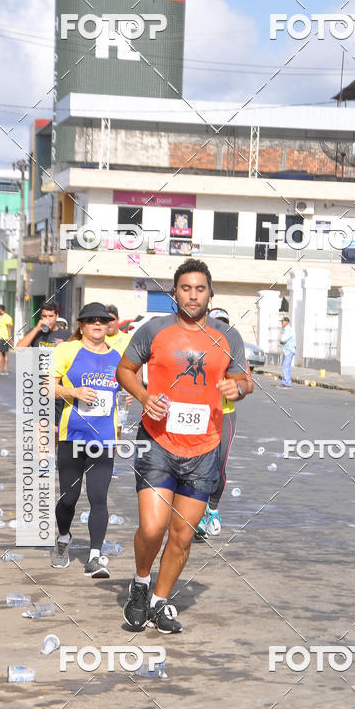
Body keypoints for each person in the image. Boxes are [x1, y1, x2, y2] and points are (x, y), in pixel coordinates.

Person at [117, 259, 249, 634]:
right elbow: (124, 370)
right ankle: (140, 583)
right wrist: (143, 396)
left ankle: (159, 601)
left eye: (200, 289)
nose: (193, 295)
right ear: (174, 292)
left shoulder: (228, 337)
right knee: (153, 527)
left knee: (182, 535)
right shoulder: (153, 330)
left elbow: (245, 381)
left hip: (205, 447)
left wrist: (235, 388)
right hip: (156, 441)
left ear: (211, 293)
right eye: (186, 288)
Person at [51, 302, 127, 578]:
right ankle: (62, 539)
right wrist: (74, 392)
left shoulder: (118, 356)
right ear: (81, 325)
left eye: (102, 320)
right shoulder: (66, 350)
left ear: (108, 325)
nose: (97, 324)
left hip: (104, 438)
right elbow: (47, 386)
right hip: (72, 436)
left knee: (99, 497)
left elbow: (128, 387)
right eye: (91, 320)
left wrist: (129, 395)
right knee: (69, 498)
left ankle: (95, 556)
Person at [196, 308, 254, 539]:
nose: (221, 328)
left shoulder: (234, 350)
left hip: (225, 413)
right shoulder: (197, 347)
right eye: (216, 323)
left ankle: (212, 510)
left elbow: (249, 384)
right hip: (199, 414)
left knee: (218, 466)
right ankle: (197, 514)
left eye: (225, 324)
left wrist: (237, 387)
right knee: (198, 466)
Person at [16, 300, 68, 435]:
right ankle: (43, 456)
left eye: (50, 316)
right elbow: (19, 348)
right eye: (44, 316)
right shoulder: (35, 333)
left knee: (55, 429)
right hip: (38, 386)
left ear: (57, 316)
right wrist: (36, 328)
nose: (47, 319)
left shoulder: (66, 336)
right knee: (40, 426)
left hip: (57, 386)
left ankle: (49, 454)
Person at [0, 304, 13, 375]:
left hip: (3, 338)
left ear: (0, 309)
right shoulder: (5, 317)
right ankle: (5, 370)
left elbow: (9, 326)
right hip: (4, 337)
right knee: (5, 354)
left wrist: (10, 337)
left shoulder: (6, 317)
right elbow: (7, 326)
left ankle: (1, 370)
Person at [279, 316, 296, 388]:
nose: (281, 323)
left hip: (289, 350)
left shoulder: (288, 329)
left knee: (285, 366)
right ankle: (286, 382)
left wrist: (281, 341)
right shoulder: (286, 329)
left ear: (286, 322)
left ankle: (287, 383)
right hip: (288, 350)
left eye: (282, 322)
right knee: (287, 366)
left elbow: (283, 339)